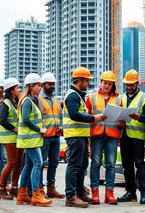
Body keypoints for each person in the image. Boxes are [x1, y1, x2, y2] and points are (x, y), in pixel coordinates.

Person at [63, 66, 106, 208]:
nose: (88, 84)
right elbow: (74, 115)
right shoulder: (73, 96)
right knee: (74, 165)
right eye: (87, 81)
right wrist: (94, 118)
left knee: (82, 165)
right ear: (80, 81)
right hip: (74, 136)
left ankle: (80, 193)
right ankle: (70, 196)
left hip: (80, 136)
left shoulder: (78, 95)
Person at [16, 73, 52, 207]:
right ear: (31, 86)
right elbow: (25, 119)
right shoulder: (27, 101)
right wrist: (39, 129)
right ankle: (36, 194)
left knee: (28, 165)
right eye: (38, 85)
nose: (40, 88)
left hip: (31, 140)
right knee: (38, 163)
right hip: (29, 139)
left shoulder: (32, 100)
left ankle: (21, 195)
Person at [86, 71, 120, 205]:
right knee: (95, 164)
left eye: (109, 84)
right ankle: (95, 194)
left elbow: (121, 116)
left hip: (112, 135)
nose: (106, 86)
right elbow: (86, 116)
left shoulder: (118, 99)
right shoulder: (91, 97)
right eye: (105, 83)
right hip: (96, 135)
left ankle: (109, 194)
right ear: (100, 82)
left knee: (111, 165)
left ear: (113, 86)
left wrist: (121, 122)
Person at [117, 69, 145, 204]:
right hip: (124, 135)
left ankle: (144, 193)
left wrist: (139, 117)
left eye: (131, 85)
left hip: (137, 136)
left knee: (140, 164)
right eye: (127, 85)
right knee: (127, 165)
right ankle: (130, 192)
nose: (129, 87)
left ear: (137, 84)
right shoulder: (121, 98)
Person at [39, 72, 65, 198]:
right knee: (41, 163)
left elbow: (61, 115)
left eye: (53, 84)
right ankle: (39, 188)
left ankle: (51, 188)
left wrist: (61, 126)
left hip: (55, 137)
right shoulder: (38, 100)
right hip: (44, 138)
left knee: (54, 163)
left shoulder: (55, 100)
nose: (52, 86)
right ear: (43, 85)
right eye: (49, 84)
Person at [0, 77, 24, 200]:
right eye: (17, 87)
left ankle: (14, 187)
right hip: (9, 138)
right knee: (12, 162)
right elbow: (2, 120)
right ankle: (1, 188)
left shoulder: (16, 101)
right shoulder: (5, 103)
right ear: (11, 90)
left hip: (18, 138)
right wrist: (15, 129)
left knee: (19, 162)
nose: (19, 90)